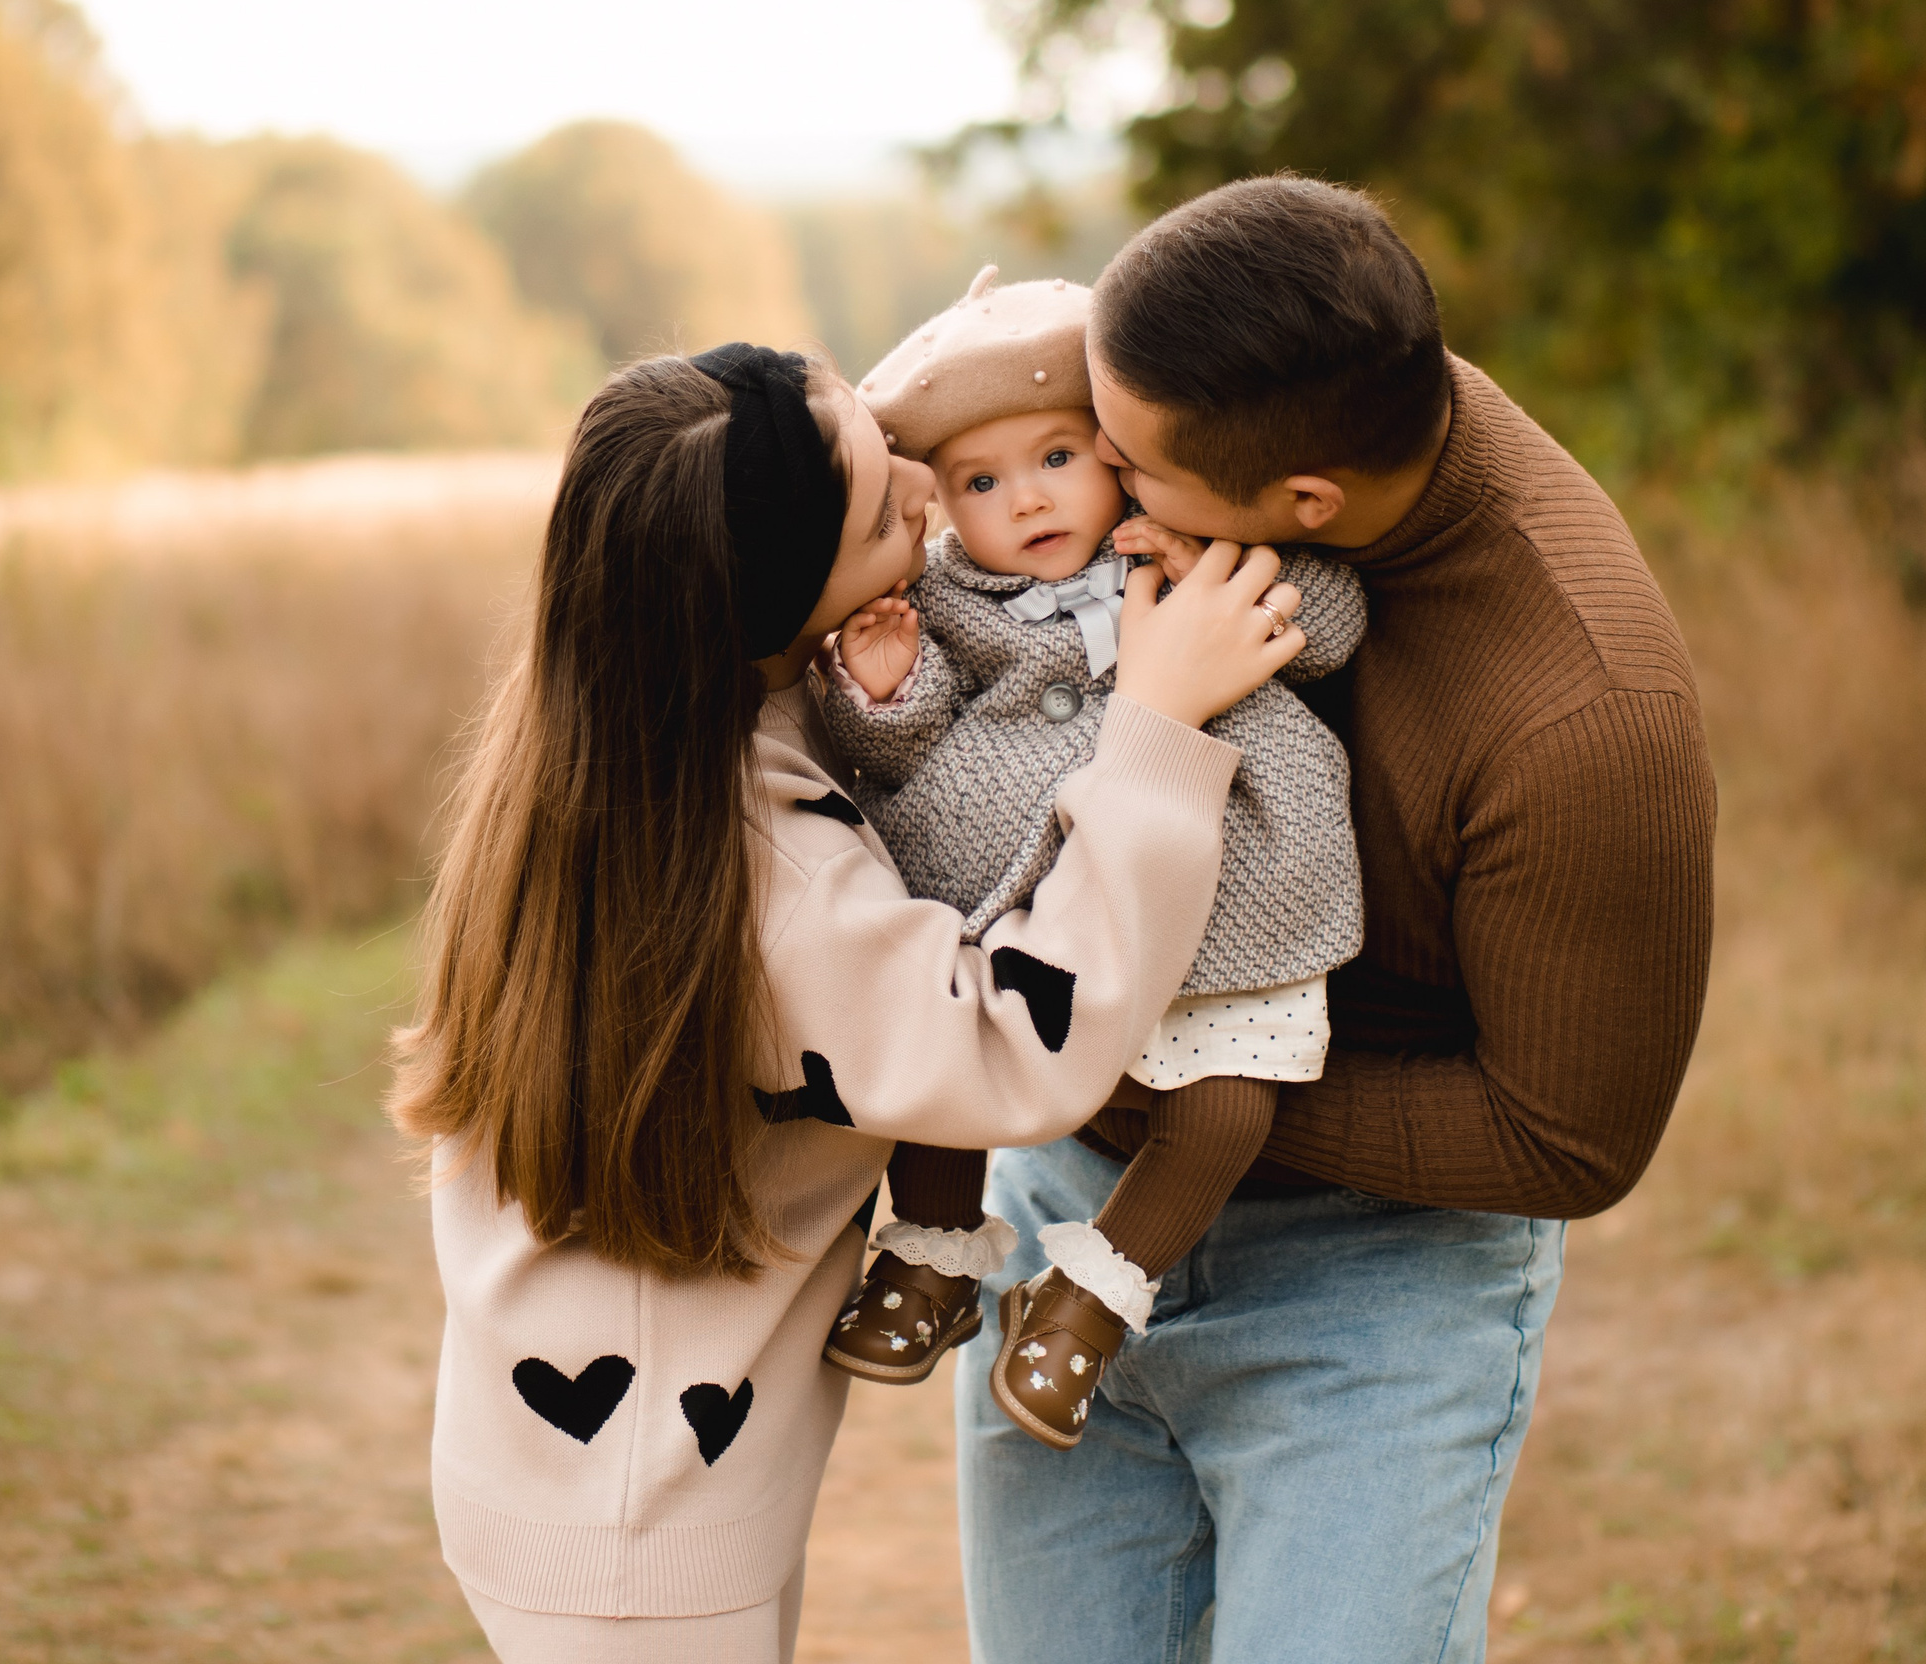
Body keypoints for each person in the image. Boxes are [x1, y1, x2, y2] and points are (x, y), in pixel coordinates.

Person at [386, 342, 1307, 1663]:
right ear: (772, 600)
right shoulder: (772, 875)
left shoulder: (609, 750)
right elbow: (1008, 1047)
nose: (934, 499)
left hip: (586, 1485)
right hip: (643, 1532)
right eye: (889, 509)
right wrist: (1155, 724)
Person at [955, 179, 1720, 1663]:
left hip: (1371, 1297)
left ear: (1305, 507)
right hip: (1063, 1219)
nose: (1090, 476)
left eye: (1127, 460)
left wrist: (1150, 1081)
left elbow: (1574, 1141)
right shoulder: (1278, 384)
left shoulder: (1584, 721)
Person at [810, 268, 1366, 1450]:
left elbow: (1332, 626)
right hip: (1029, 877)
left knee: (1226, 1107)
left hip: (1230, 882)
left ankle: (1093, 1296)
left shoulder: (1199, 545)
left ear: (1116, 452)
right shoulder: (948, 597)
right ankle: (931, 1253)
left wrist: (1232, 564)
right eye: (981, 480)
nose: (1029, 498)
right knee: (950, 1065)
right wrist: (884, 685)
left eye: (1058, 456)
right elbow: (896, 746)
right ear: (944, 508)